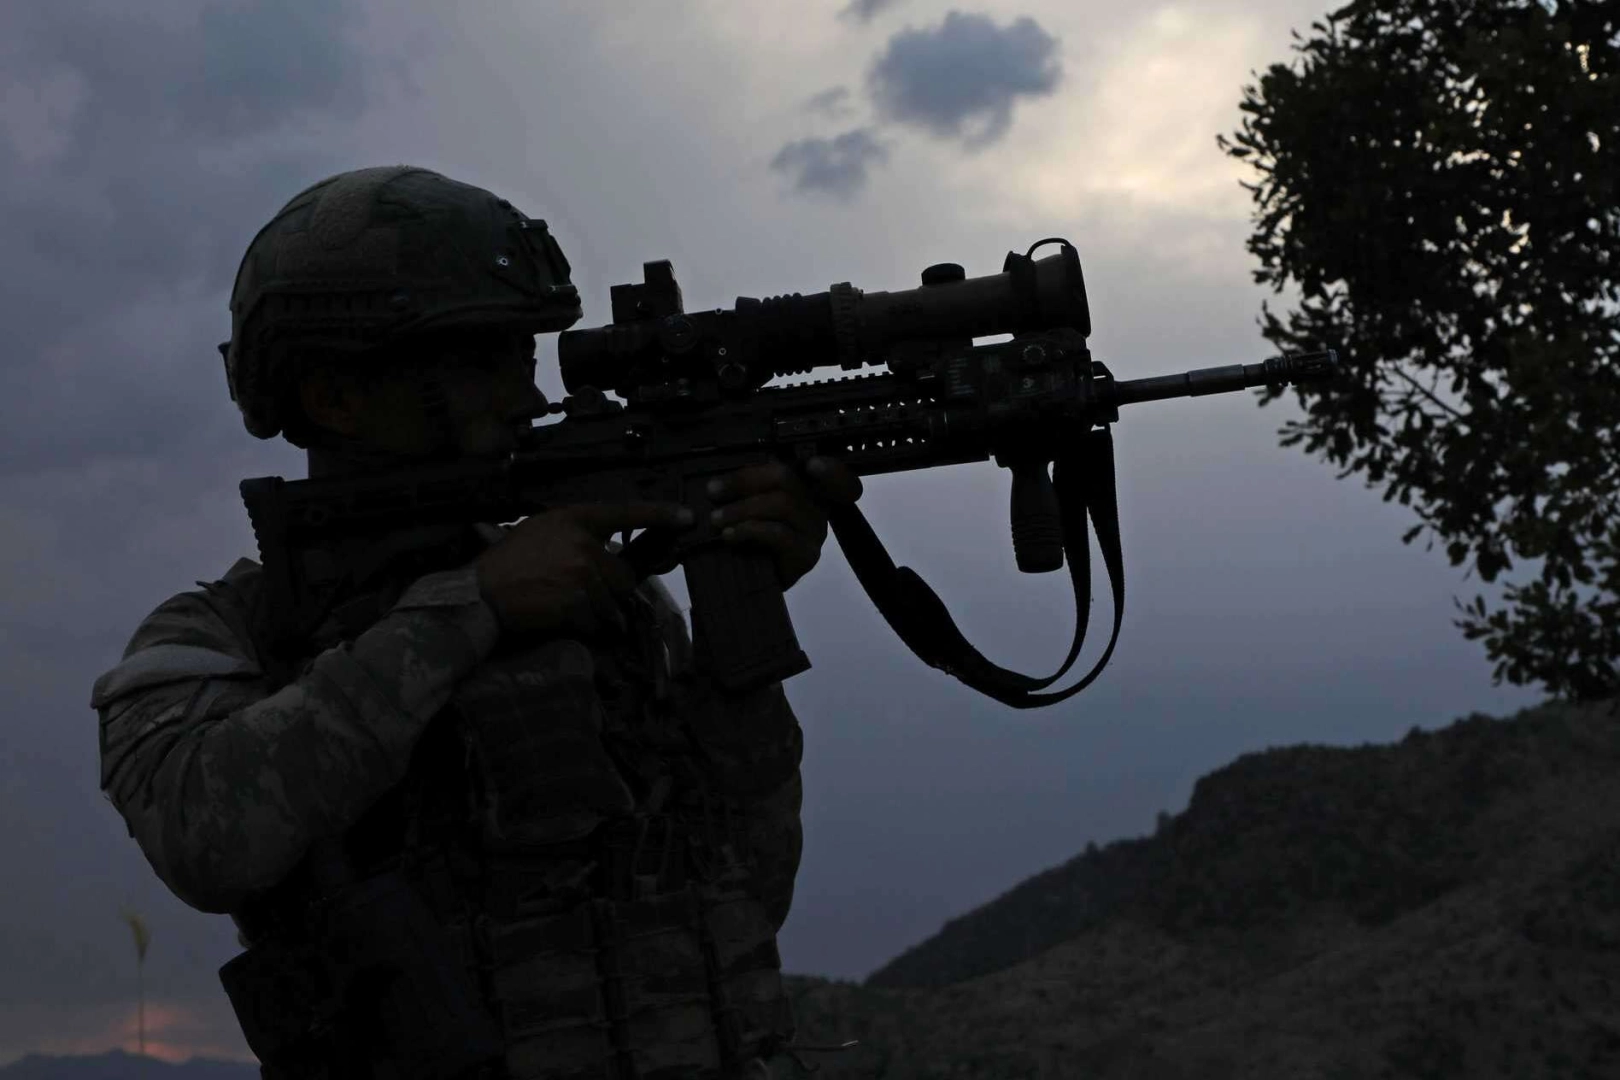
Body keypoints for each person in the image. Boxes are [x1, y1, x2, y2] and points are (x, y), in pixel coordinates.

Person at [91, 165, 862, 1079]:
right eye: (480, 362)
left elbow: (746, 886)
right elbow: (207, 838)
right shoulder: (221, 636)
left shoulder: (605, 605)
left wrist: (743, 607)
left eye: (524, 358)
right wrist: (475, 605)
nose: (526, 399)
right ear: (335, 395)